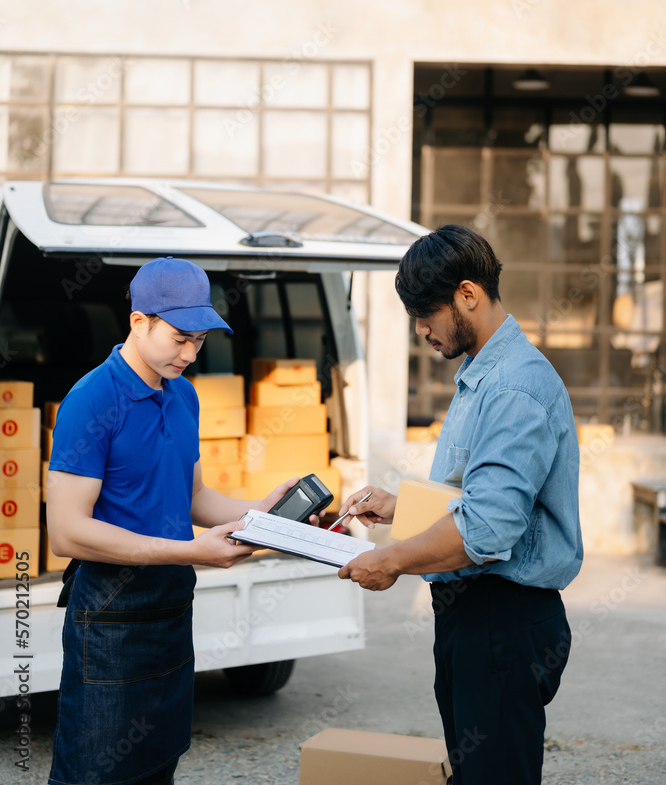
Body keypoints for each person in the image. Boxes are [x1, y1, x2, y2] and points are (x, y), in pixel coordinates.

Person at [46, 256, 319, 785]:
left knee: (156, 762)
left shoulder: (185, 396)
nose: (191, 354)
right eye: (180, 338)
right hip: (110, 616)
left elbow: (192, 497)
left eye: (200, 340)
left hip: (172, 607)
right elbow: (66, 532)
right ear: (138, 322)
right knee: (96, 771)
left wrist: (262, 512)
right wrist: (193, 550)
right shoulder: (91, 400)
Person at [336, 225, 583, 785]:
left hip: (503, 616)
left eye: (427, 313)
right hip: (474, 613)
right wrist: (401, 507)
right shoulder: (483, 374)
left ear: (468, 295)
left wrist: (393, 559)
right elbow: (474, 497)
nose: (421, 330)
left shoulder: (515, 387)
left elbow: (488, 528)